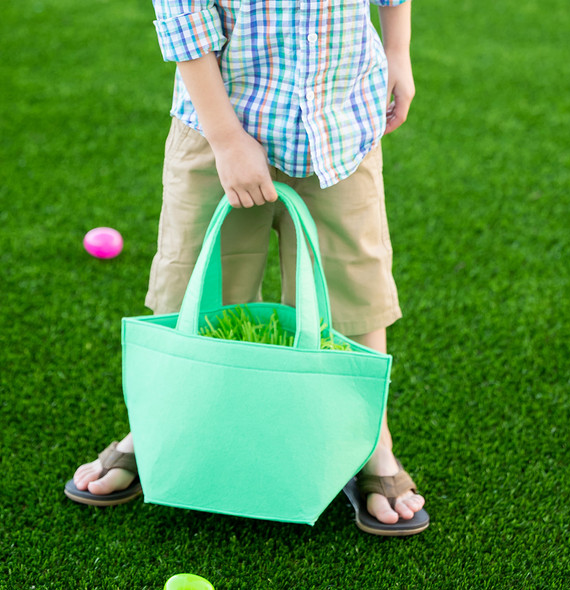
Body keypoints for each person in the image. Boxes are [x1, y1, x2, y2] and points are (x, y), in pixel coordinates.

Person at [65, 0, 429, 536]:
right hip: (219, 120)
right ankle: (159, 427)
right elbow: (185, 19)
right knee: (199, 284)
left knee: (352, 290)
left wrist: (397, 50)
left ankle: (372, 441)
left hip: (341, 120)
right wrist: (228, 140)